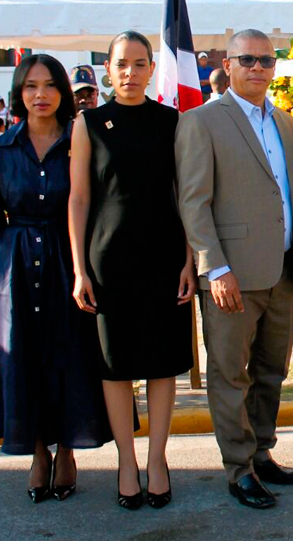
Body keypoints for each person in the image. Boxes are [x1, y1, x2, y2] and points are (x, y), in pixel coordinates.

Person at [175, 29, 293, 510]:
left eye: (266, 60)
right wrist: (214, 268)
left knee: (271, 370)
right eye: (247, 59)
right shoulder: (201, 121)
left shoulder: (284, 122)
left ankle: (261, 452)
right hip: (232, 275)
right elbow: (193, 202)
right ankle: (239, 469)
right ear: (228, 64)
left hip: (284, 269)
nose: (257, 67)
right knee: (230, 373)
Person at [0, 53, 112, 503]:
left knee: (70, 356)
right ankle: (38, 453)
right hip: (15, 270)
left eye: (49, 85)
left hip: (71, 262)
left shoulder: (82, 141)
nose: (40, 95)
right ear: (18, 93)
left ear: (63, 91)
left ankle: (67, 451)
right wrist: (20, 236)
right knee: (24, 360)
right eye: (30, 86)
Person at [68, 31, 195, 510]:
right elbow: (79, 199)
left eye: (140, 63)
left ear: (151, 69)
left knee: (163, 363)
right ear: (107, 68)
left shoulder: (170, 120)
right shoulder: (89, 123)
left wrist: (189, 259)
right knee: (115, 365)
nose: (130, 72)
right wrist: (79, 269)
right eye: (122, 63)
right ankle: (126, 461)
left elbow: (184, 194)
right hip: (108, 260)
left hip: (164, 257)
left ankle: (157, 460)